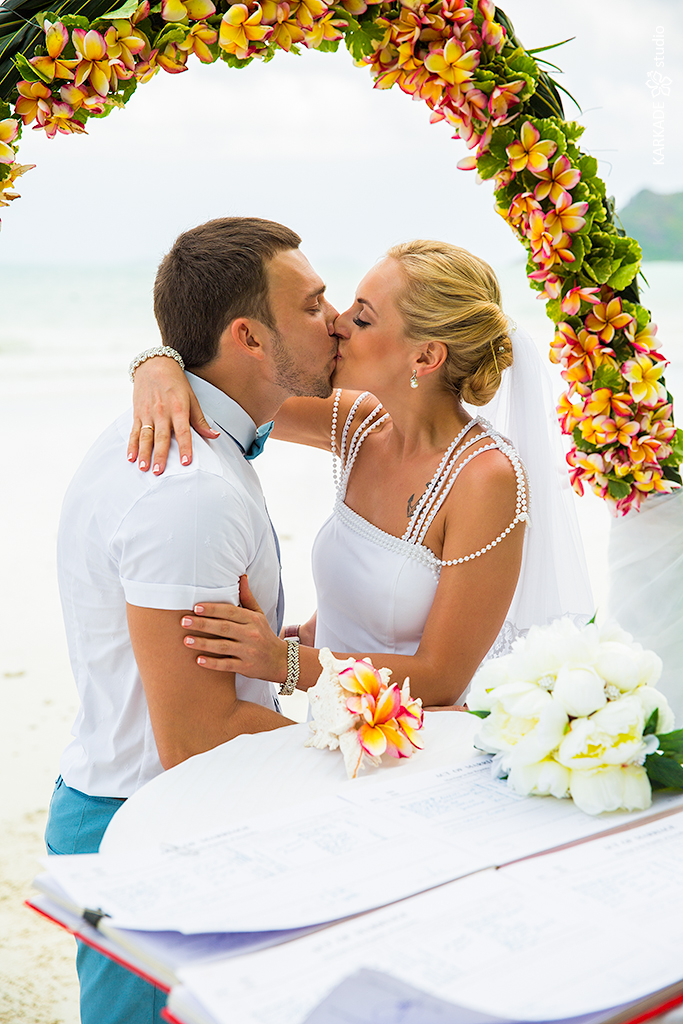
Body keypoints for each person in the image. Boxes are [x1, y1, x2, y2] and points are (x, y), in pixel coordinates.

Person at [45, 216, 340, 1024]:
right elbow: (197, 734)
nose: (338, 320)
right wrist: (374, 742)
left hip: (153, 799)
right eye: (313, 306)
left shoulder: (215, 434)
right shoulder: (190, 487)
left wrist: (155, 358)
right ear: (248, 336)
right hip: (150, 825)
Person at [128, 240, 594, 705]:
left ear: (426, 357)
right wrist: (157, 365)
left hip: (410, 743)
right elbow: (229, 387)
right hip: (337, 729)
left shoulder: (485, 479)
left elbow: (441, 678)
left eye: (363, 317)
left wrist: (280, 661)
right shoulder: (358, 425)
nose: (337, 323)